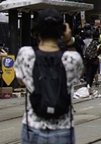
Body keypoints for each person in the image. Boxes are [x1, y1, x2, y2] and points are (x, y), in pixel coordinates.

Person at [14, 8, 83, 143]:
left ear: (37, 30)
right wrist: (68, 42)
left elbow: (21, 81)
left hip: (33, 126)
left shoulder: (25, 54)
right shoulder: (72, 58)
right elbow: (78, 74)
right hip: (63, 128)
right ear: (62, 30)